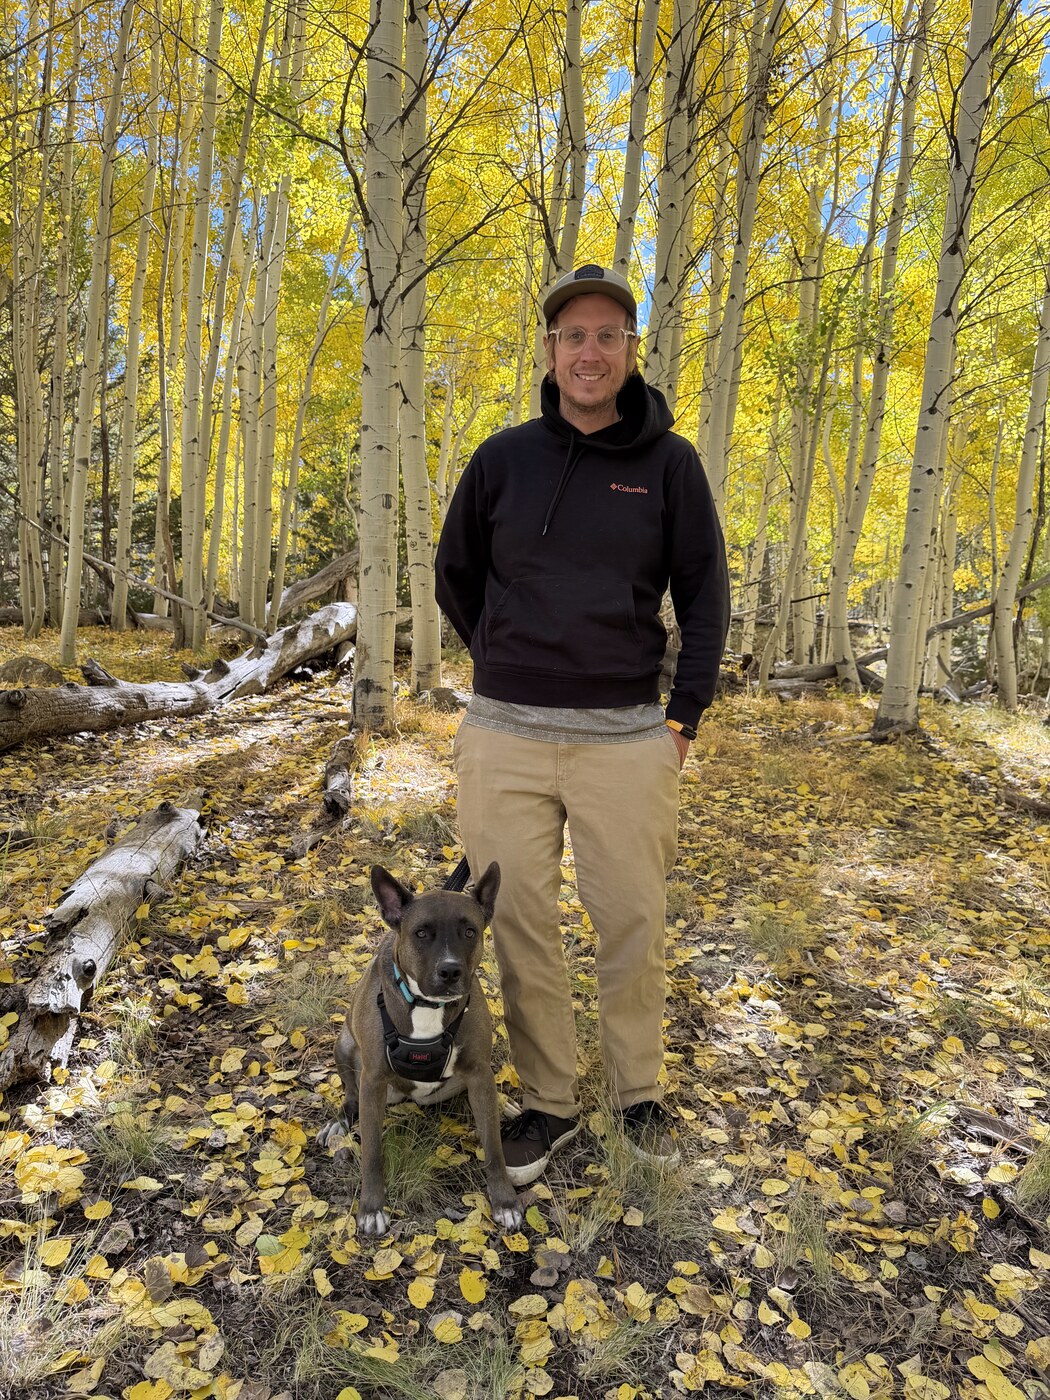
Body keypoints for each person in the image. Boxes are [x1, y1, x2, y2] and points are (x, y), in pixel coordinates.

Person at [435, 263, 729, 1185]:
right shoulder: (501, 458)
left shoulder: (670, 466)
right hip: (504, 737)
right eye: (573, 337)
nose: (589, 352)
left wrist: (680, 718)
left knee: (632, 920)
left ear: (630, 349)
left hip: (626, 740)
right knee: (517, 922)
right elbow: (457, 575)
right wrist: (505, 652)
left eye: (607, 335)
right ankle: (550, 1103)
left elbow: (706, 596)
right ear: (552, 351)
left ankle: (637, 1091)